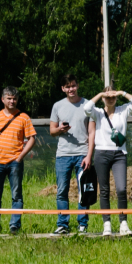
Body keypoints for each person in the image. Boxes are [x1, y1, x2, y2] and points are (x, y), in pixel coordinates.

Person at [48, 74, 97, 236]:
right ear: (63, 89)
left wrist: (89, 156)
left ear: (78, 86)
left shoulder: (87, 105)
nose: (71, 89)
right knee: (62, 190)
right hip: (63, 155)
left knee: (84, 190)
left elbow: (92, 132)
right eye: (67, 87)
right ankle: (62, 224)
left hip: (82, 154)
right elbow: (52, 131)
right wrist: (59, 130)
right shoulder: (57, 106)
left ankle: (82, 224)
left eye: (73, 86)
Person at [0, 87, 35, 234]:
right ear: (3, 99)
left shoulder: (23, 117)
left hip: (14, 162)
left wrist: (20, 156)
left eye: (14, 98)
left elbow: (32, 139)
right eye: (9, 98)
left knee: (16, 195)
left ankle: (15, 225)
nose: (12, 101)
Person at [93, 87, 132, 236]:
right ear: (103, 98)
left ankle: (123, 223)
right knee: (104, 190)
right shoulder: (98, 113)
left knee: (121, 189)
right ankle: (106, 224)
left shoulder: (123, 110)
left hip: (120, 154)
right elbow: (86, 108)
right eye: (107, 97)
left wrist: (121, 93)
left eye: (113, 96)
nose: (110, 99)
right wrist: (100, 94)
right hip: (101, 153)